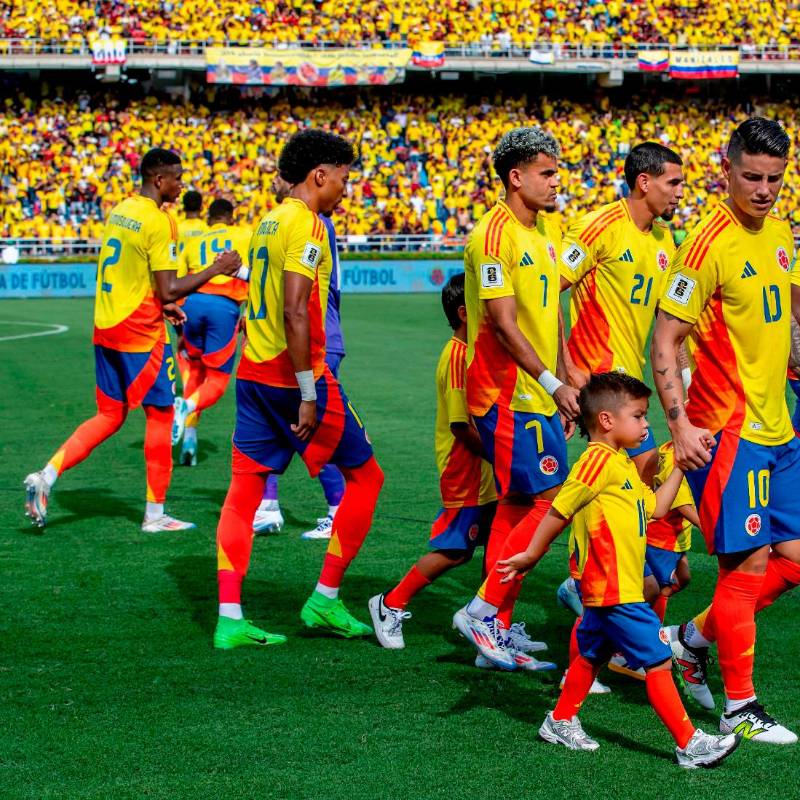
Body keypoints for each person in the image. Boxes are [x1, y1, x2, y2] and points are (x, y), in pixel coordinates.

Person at [498, 373, 741, 768]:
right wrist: (530, 554)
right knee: (660, 659)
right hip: (612, 586)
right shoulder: (595, 461)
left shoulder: (622, 465)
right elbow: (561, 508)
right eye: (639, 416)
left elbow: (656, 509)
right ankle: (689, 744)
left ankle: (559, 721)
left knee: (592, 654)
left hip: (617, 585)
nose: (647, 424)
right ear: (608, 421)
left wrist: (680, 464)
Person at [652, 117, 800, 744]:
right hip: (728, 431)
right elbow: (665, 338)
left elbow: (789, 315)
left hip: (781, 425)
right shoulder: (706, 243)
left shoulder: (780, 229)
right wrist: (680, 424)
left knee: (793, 565)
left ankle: (689, 640)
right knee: (747, 565)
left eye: (774, 179)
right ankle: (739, 706)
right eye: (751, 177)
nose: (763, 190)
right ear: (727, 168)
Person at [213, 130, 384, 650]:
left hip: (254, 373)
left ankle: (229, 618)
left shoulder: (267, 220)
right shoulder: (308, 223)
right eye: (343, 179)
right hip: (293, 377)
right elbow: (295, 308)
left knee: (243, 494)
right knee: (367, 478)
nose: (345, 190)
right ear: (320, 175)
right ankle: (325, 598)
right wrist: (309, 390)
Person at [24, 148, 241, 532]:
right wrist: (216, 269)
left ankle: (46, 476)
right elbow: (170, 286)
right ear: (159, 180)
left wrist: (164, 304)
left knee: (110, 415)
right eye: (177, 177)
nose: (181, 184)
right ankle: (155, 515)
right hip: (139, 332)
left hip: (107, 323)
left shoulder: (121, 209)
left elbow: (138, 275)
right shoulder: (160, 221)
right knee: (160, 414)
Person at [369, 274, 552, 666]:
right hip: (466, 467)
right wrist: (502, 455)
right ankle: (390, 603)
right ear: (464, 311)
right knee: (455, 549)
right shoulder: (457, 355)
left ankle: (496, 628)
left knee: (503, 546)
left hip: (489, 466)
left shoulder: (477, 351)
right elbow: (460, 425)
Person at [450, 127, 580, 671]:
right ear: (515, 177)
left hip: (541, 393)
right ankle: (481, 611)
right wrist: (554, 385)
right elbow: (503, 325)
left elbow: (550, 313)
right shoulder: (491, 235)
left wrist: (567, 381)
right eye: (547, 173)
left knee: (518, 504)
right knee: (555, 501)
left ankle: (497, 628)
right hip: (506, 395)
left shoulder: (547, 230)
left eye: (556, 171)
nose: (556, 182)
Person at [253, 174, 347, 539]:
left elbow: (298, 293)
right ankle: (268, 506)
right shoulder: (290, 219)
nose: (276, 183)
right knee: (278, 427)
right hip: (296, 340)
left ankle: (337, 508)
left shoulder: (311, 221)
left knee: (310, 432)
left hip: (314, 340)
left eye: (281, 177)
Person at [171, 199, 252, 465]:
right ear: (230, 217)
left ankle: (190, 438)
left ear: (210, 218)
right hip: (224, 308)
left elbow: (179, 281)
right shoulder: (245, 233)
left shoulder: (195, 242)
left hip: (192, 306)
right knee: (216, 381)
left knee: (194, 372)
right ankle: (186, 408)